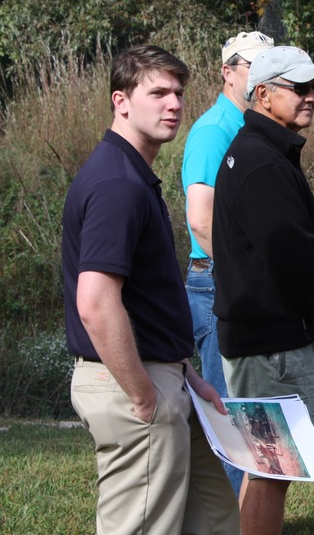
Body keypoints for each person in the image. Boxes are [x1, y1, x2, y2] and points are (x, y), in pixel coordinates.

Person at [62, 44, 240, 534]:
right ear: (121, 101)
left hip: (166, 374)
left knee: (214, 520)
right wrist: (143, 396)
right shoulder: (117, 184)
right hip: (131, 383)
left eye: (179, 92)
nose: (174, 104)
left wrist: (186, 371)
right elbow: (96, 303)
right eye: (158, 92)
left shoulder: (136, 177)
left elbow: (144, 300)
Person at [212, 46, 314, 535]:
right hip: (270, 344)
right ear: (263, 93)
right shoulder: (260, 160)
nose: (311, 97)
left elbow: (294, 246)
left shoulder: (264, 153)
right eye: (299, 88)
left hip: (265, 339)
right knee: (274, 468)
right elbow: (288, 254)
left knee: (270, 468)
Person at [182, 30, 274, 495]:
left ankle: (245, 516)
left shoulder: (251, 128)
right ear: (227, 71)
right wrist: (249, 279)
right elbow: (201, 221)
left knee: (250, 405)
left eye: (267, 67)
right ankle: (229, 522)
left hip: (241, 281)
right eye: (250, 65)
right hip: (219, 282)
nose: (259, 76)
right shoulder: (214, 130)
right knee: (229, 409)